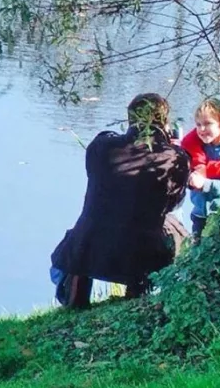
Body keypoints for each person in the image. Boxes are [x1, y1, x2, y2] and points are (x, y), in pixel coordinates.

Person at [49, 93, 189, 308]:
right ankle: (139, 291)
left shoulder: (101, 146)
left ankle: (74, 294)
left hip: (88, 246)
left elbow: (95, 174)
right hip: (141, 250)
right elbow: (173, 202)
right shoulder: (175, 157)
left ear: (130, 119)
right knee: (176, 230)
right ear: (164, 121)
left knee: (85, 234)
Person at [179, 97, 220, 238]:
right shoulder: (197, 148)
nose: (202, 129)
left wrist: (206, 184)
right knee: (197, 249)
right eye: (198, 124)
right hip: (199, 213)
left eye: (208, 124)